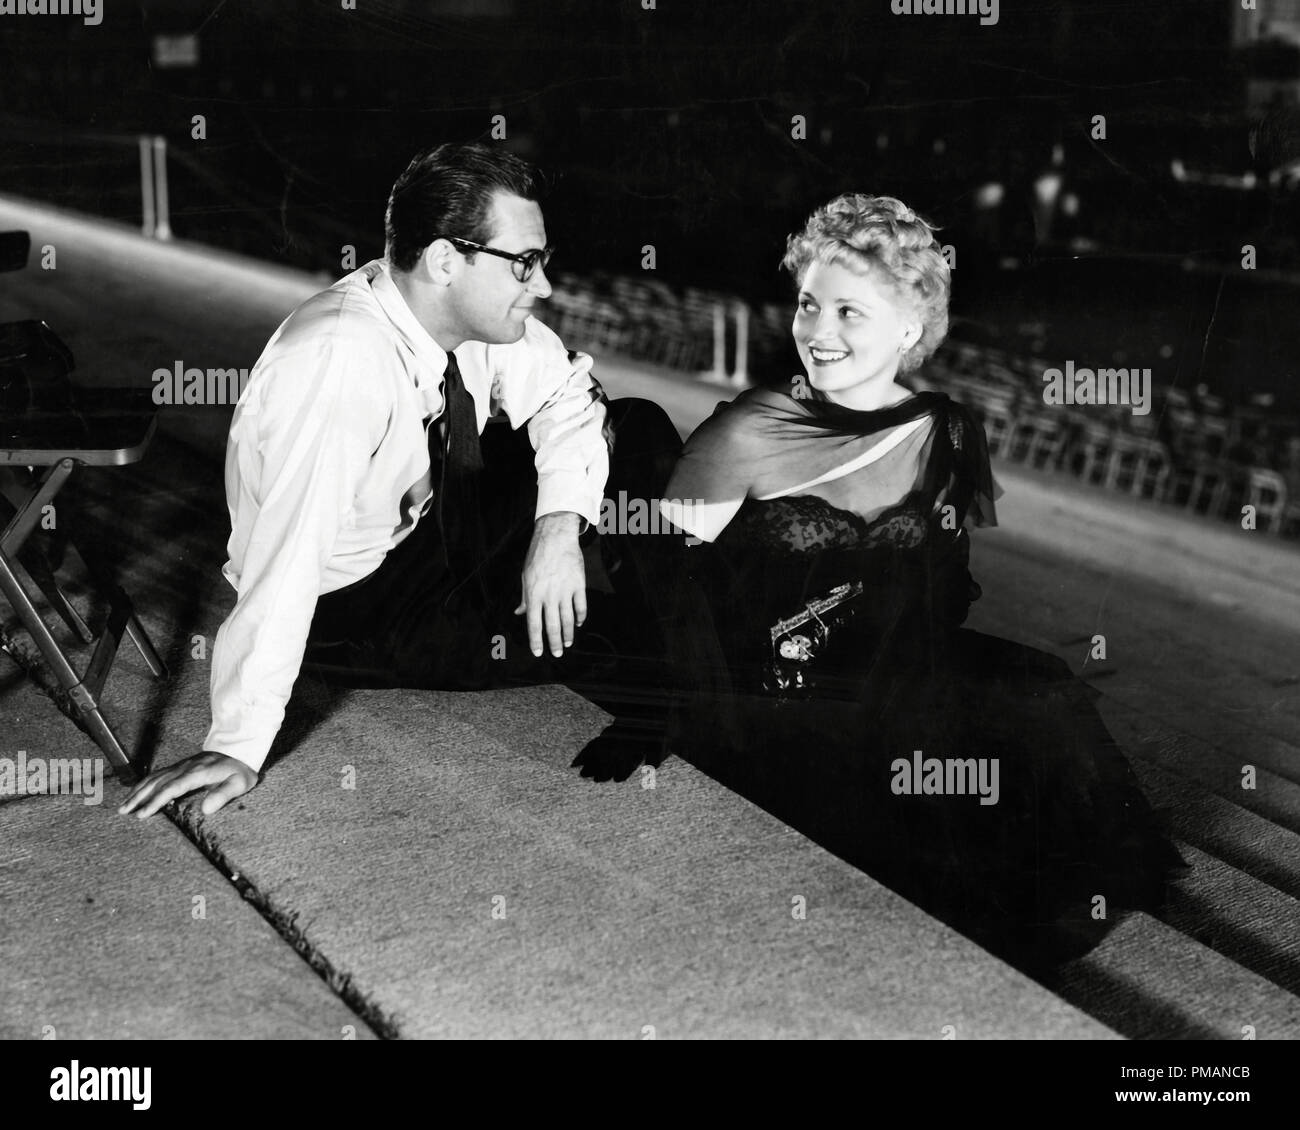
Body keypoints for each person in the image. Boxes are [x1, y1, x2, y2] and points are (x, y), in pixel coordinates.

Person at [659, 193, 1185, 971]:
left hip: (893, 667)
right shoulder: (747, 432)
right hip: (768, 687)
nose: (818, 332)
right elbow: (667, 586)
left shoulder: (943, 433)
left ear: (910, 327)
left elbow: (945, 587)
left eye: (849, 311)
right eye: (809, 304)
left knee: (1036, 694)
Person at [121, 142, 679, 820]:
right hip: (358, 607)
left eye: (544, 262)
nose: (544, 286)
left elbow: (566, 394)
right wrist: (238, 742)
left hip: (433, 526)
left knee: (636, 428)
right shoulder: (337, 363)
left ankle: (659, 622)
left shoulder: (453, 311)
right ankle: (673, 661)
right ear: (447, 260)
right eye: (525, 264)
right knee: (594, 644)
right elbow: (288, 557)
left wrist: (559, 529)